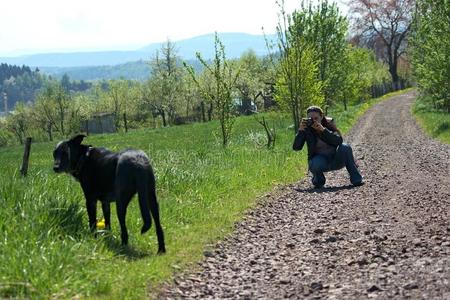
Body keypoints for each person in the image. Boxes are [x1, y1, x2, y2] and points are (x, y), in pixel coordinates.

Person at [292, 105, 363, 188]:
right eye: (310, 119)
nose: (313, 121)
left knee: (345, 147)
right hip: (320, 161)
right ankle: (318, 181)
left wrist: (323, 130)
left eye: (316, 118)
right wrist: (300, 131)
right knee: (315, 163)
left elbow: (339, 141)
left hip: (336, 159)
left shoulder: (329, 124)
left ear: (321, 116)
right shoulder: (306, 129)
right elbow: (296, 148)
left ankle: (356, 179)